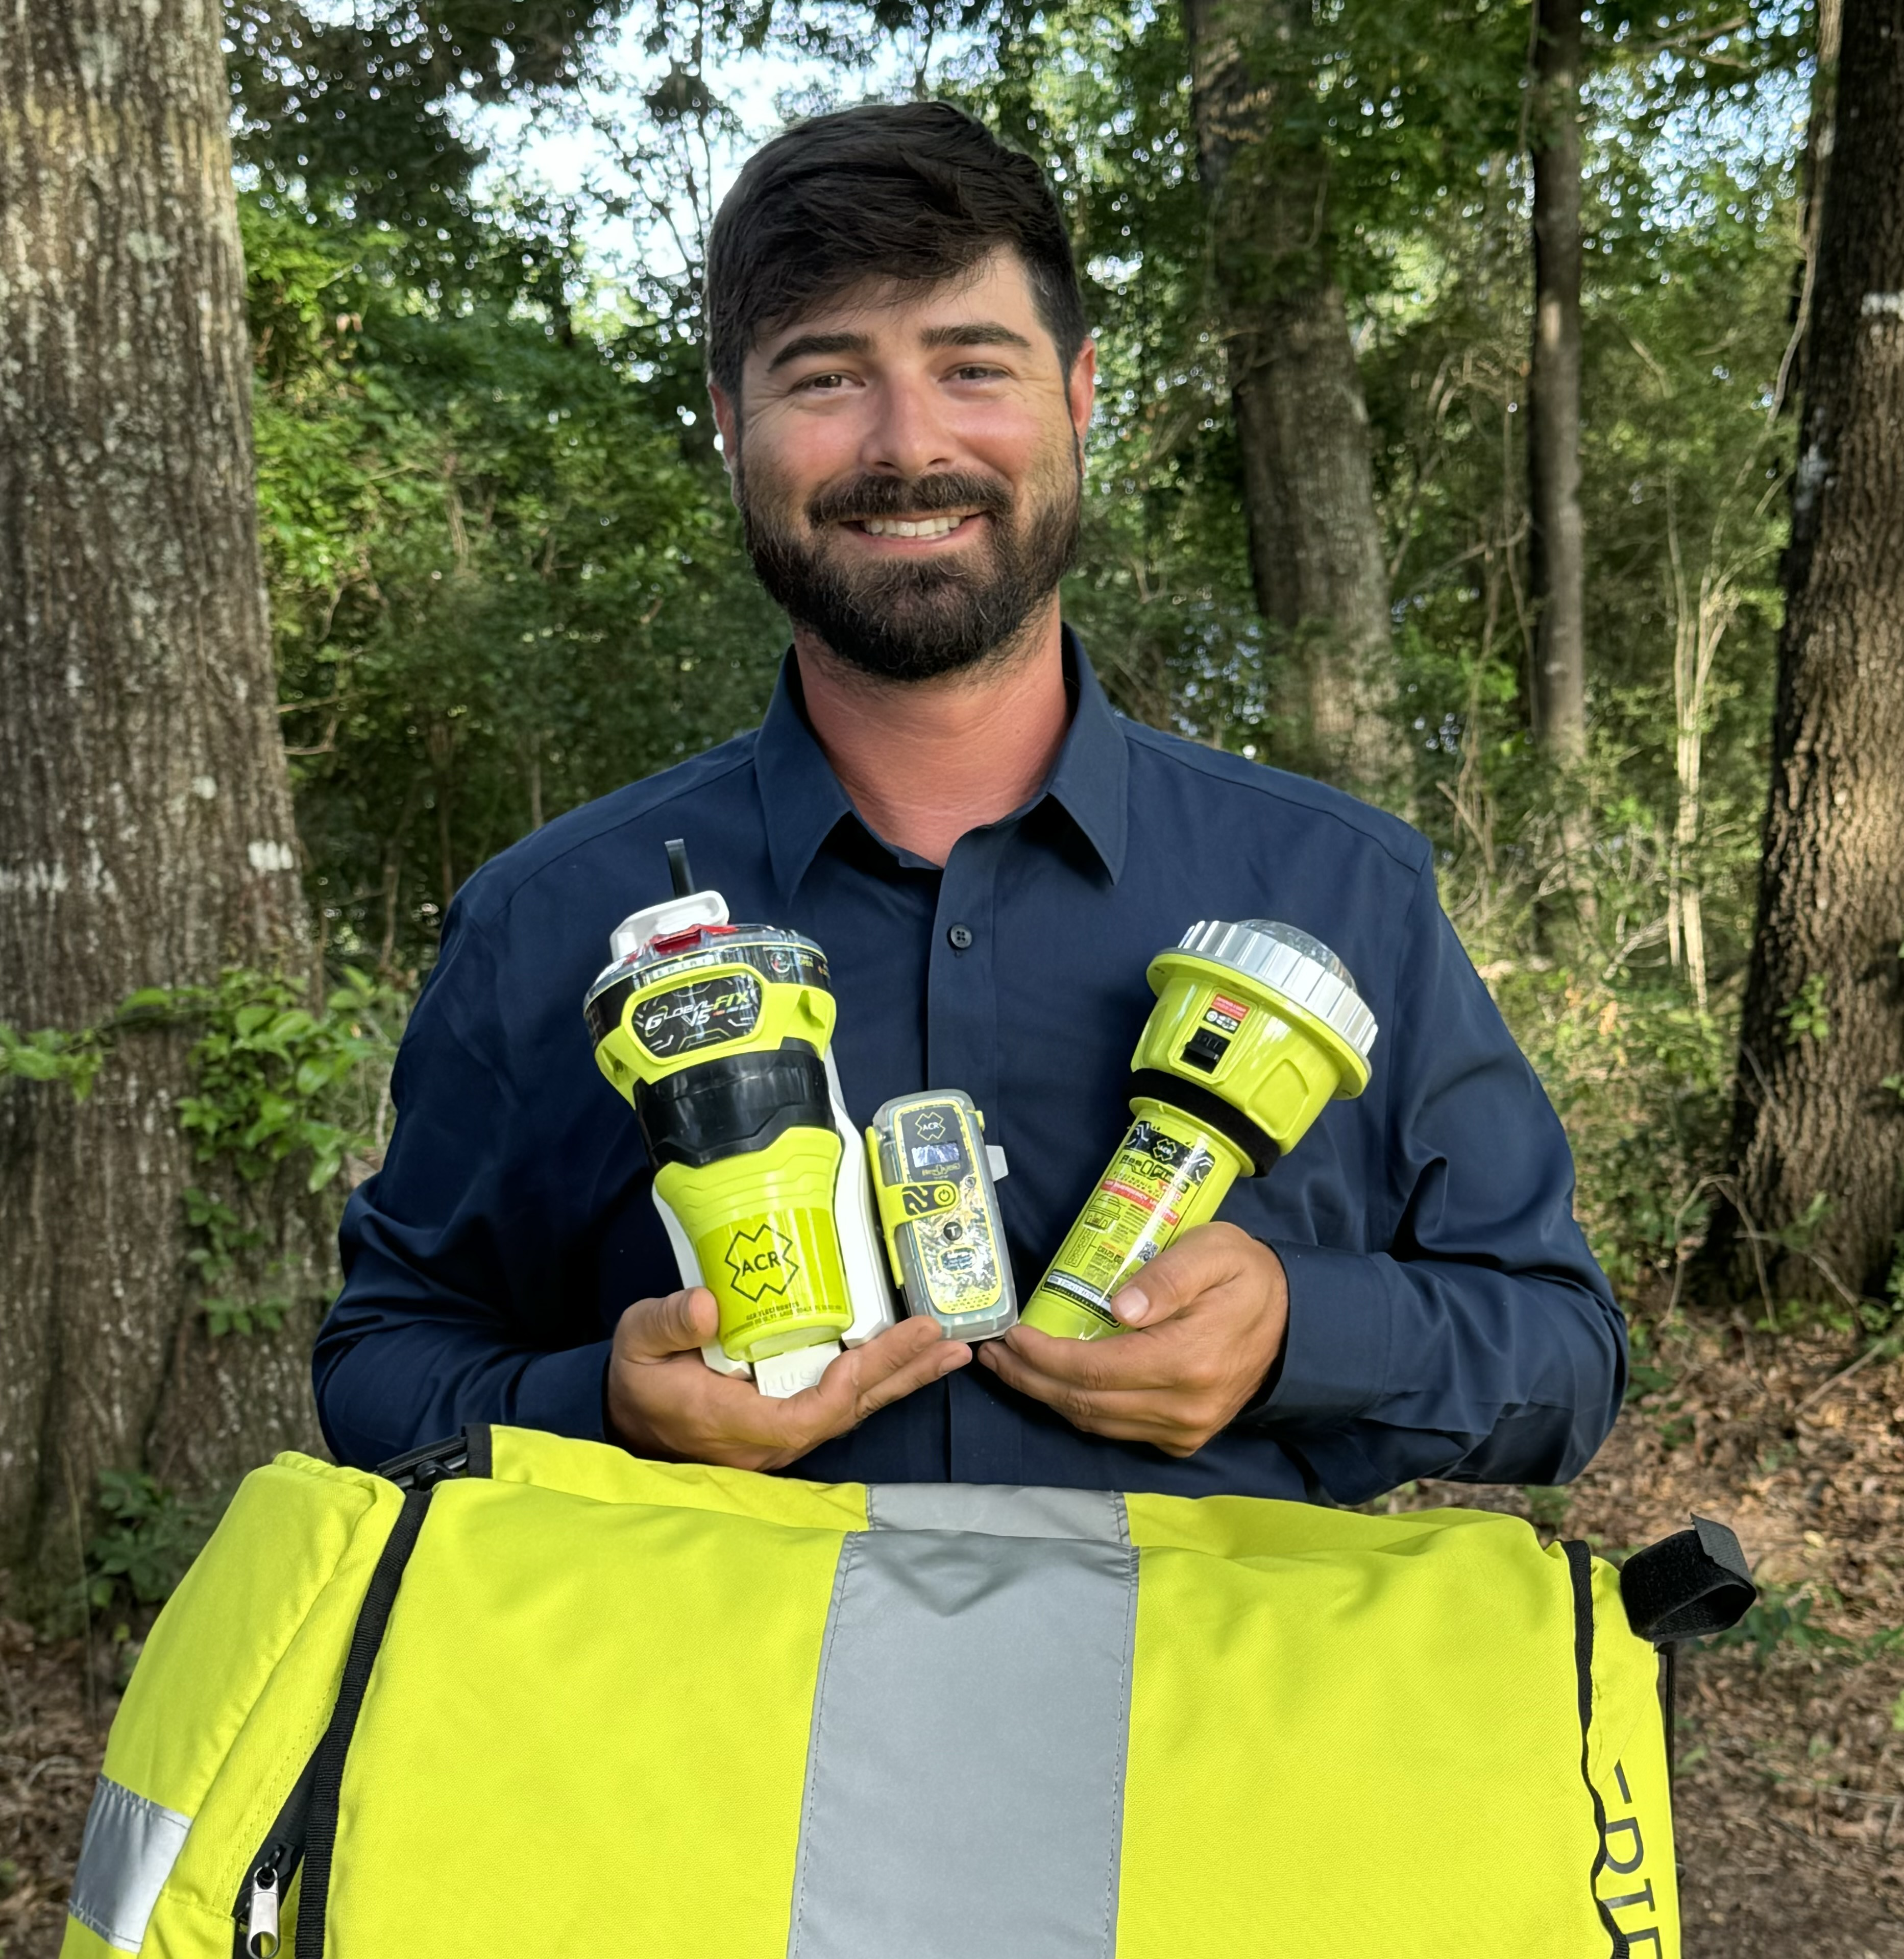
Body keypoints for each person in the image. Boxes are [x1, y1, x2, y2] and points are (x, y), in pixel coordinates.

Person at [313, 100, 1625, 1507]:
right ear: (728, 423)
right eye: (826, 377)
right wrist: (601, 1405)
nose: (907, 442)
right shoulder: (543, 923)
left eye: (972, 365)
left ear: (1079, 393)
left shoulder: (1342, 892)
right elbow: (384, 1364)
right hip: (721, 1731)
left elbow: (1564, 1354)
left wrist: (1302, 1336)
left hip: (1200, 1732)